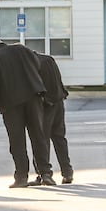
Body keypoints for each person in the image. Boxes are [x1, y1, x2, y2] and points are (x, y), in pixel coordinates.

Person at [0, 38, 55, 188]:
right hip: (33, 97)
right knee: (38, 136)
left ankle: (21, 177)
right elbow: (38, 64)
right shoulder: (22, 49)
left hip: (11, 104)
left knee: (17, 141)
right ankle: (46, 174)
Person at [28, 52, 74, 185]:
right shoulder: (48, 59)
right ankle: (67, 171)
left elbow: (34, 86)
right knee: (59, 138)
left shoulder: (32, 64)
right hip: (58, 101)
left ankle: (44, 174)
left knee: (41, 140)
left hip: (45, 105)